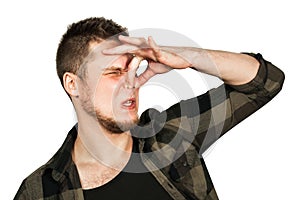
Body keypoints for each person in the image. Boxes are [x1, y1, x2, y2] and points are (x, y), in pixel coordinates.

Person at [14, 17, 285, 200]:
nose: (130, 81)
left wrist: (188, 57)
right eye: (114, 72)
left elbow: (266, 82)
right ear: (73, 84)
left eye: (133, 69)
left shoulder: (170, 137)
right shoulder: (39, 190)